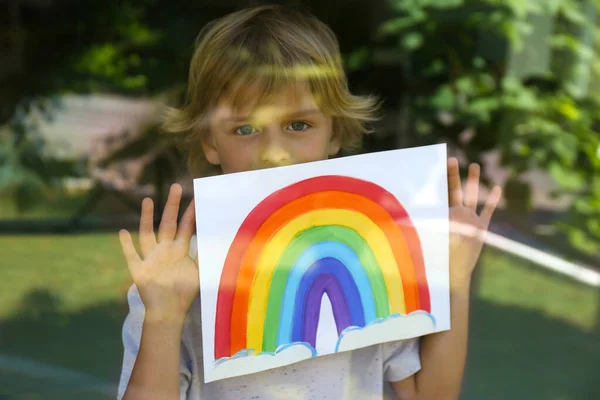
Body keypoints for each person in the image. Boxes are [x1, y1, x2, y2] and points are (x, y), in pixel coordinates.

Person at [116, 4, 502, 400]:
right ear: (210, 143)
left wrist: (453, 282)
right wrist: (164, 318)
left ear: (335, 133)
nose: (275, 153)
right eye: (244, 128)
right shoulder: (176, 279)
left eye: (298, 125)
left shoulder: (373, 259)